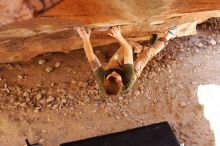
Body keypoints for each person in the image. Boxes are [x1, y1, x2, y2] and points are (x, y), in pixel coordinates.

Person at [76, 26, 176, 96]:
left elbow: (92, 59)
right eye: (116, 75)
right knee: (147, 55)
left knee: (128, 44)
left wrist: (85, 39)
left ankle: (140, 49)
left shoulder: (102, 79)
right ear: (122, 82)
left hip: (114, 65)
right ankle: (167, 37)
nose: (114, 73)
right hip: (131, 72)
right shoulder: (129, 78)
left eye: (111, 75)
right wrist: (118, 36)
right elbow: (127, 51)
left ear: (106, 79)